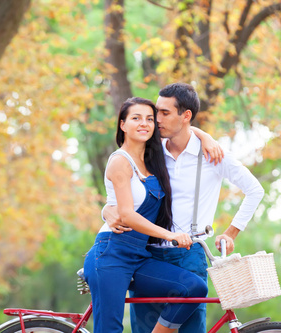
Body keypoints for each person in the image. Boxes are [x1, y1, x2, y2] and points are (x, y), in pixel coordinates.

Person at [103, 83, 265, 333]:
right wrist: (107, 209)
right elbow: (121, 184)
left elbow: (255, 190)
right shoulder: (151, 152)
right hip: (148, 255)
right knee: (144, 329)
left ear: (186, 115)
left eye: (164, 113)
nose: (156, 119)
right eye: (156, 111)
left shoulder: (212, 155)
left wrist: (231, 233)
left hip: (191, 254)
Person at [83, 97, 208, 333]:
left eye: (150, 119)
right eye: (136, 118)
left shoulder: (153, 157)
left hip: (139, 255)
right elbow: (127, 215)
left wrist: (206, 138)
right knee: (109, 329)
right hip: (111, 253)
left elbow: (184, 129)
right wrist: (171, 235)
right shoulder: (120, 161)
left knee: (193, 287)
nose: (144, 124)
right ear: (122, 125)